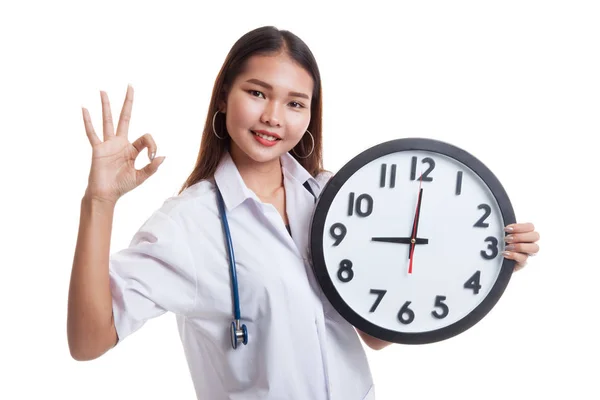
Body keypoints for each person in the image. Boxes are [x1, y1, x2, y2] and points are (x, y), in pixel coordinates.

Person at [67, 26, 541, 399]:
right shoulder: (189, 227)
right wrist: (100, 202)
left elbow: (375, 332)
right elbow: (88, 343)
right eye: (257, 93)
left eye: (295, 103)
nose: (274, 116)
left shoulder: (337, 197)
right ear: (223, 97)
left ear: (310, 116)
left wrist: (486, 256)